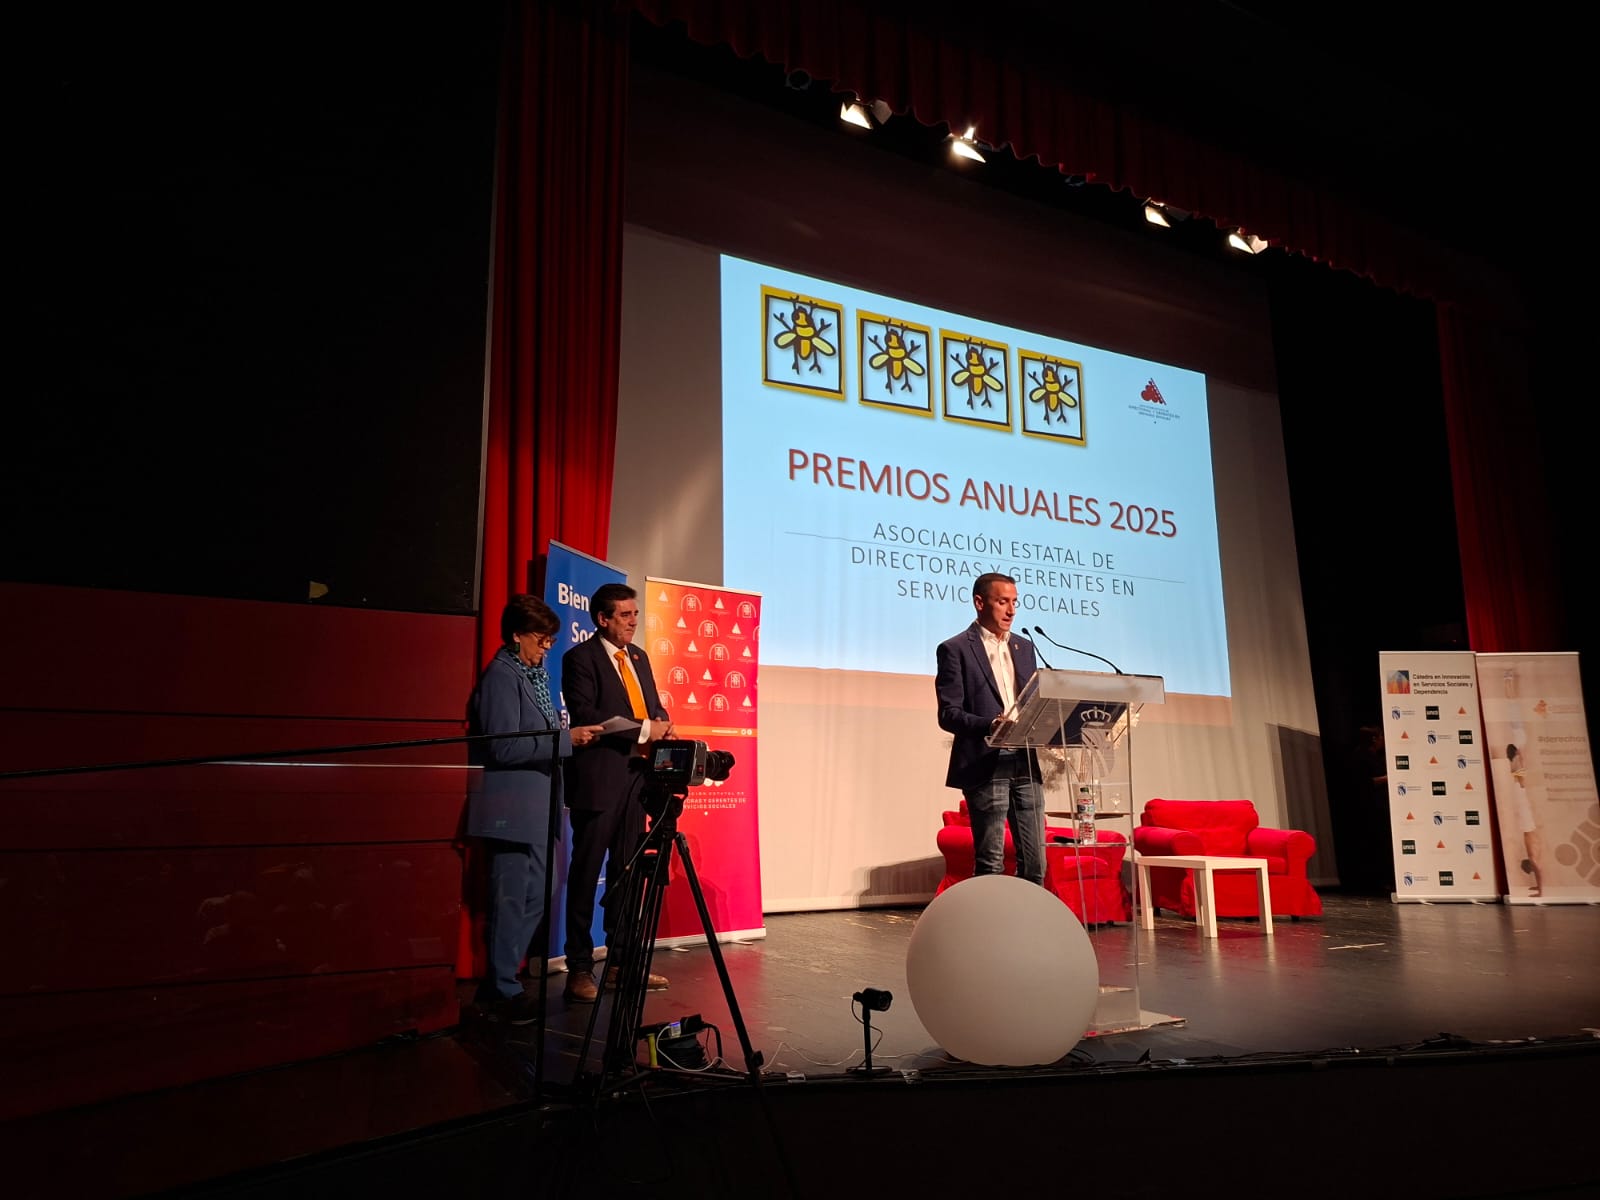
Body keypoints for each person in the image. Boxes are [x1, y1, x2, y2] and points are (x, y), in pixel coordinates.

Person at [466, 595, 605, 1024]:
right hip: (512, 807)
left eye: (551, 640)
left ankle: (506, 979)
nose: (547, 647)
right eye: (541, 639)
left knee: (539, 895)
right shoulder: (501, 677)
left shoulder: (535, 676)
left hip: (540, 805)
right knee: (511, 898)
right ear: (516, 636)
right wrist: (568, 741)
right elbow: (501, 747)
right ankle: (500, 987)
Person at [561, 583, 675, 1003]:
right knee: (587, 873)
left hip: (636, 779)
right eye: (625, 615)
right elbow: (586, 714)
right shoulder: (580, 659)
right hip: (598, 780)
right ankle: (578, 968)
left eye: (635, 614)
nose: (633, 621)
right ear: (602, 619)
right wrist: (647, 729)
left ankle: (622, 963)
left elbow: (651, 705)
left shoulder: (639, 658)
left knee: (627, 872)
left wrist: (662, 721)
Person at [935, 572, 1046, 886]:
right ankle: (988, 932)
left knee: (1036, 862)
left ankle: (1027, 928)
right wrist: (991, 724)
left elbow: (1033, 700)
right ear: (980, 603)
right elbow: (949, 714)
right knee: (991, 862)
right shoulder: (955, 649)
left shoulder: (1025, 647)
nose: (1011, 611)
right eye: (1002, 602)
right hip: (986, 760)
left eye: (1015, 602)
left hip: (1024, 759)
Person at [1505, 742, 1546, 897]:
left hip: (1525, 816)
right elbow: (1519, 774)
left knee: (1518, 777)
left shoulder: (1532, 857)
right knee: (1517, 777)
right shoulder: (1532, 853)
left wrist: (1519, 758)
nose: (1527, 870)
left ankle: (1540, 890)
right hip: (1525, 817)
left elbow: (1520, 774)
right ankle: (1539, 888)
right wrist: (1519, 758)